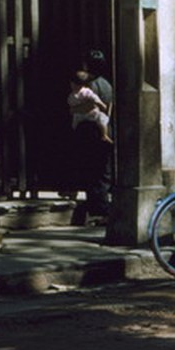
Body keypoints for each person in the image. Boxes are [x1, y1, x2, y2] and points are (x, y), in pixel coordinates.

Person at [71, 50, 113, 224]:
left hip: (90, 128)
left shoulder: (88, 86)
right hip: (104, 127)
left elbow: (88, 108)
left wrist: (72, 110)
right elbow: (108, 108)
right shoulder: (107, 85)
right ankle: (100, 207)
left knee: (92, 170)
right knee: (102, 171)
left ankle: (98, 209)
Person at [67, 71, 112, 143]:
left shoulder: (88, 90)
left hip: (91, 120)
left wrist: (101, 105)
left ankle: (104, 135)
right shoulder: (72, 95)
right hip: (83, 120)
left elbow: (94, 102)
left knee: (101, 118)